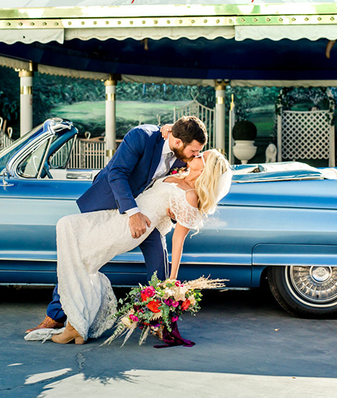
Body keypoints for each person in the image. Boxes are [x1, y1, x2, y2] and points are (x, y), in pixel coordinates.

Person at [26, 116, 208, 333]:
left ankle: (161, 321)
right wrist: (132, 213)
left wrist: (173, 209)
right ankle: (55, 315)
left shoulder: (183, 152)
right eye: (194, 151)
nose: (196, 155)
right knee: (82, 256)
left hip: (148, 211)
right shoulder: (141, 137)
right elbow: (117, 173)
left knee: (159, 258)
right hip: (110, 200)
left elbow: (184, 182)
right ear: (178, 142)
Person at [51, 149, 232, 344]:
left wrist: (172, 280)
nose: (196, 155)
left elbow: (178, 240)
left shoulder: (190, 196)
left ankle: (74, 327)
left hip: (130, 229)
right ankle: (76, 325)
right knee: (69, 230)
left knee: (80, 256)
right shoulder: (178, 174)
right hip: (121, 215)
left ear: (207, 169)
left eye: (201, 157)